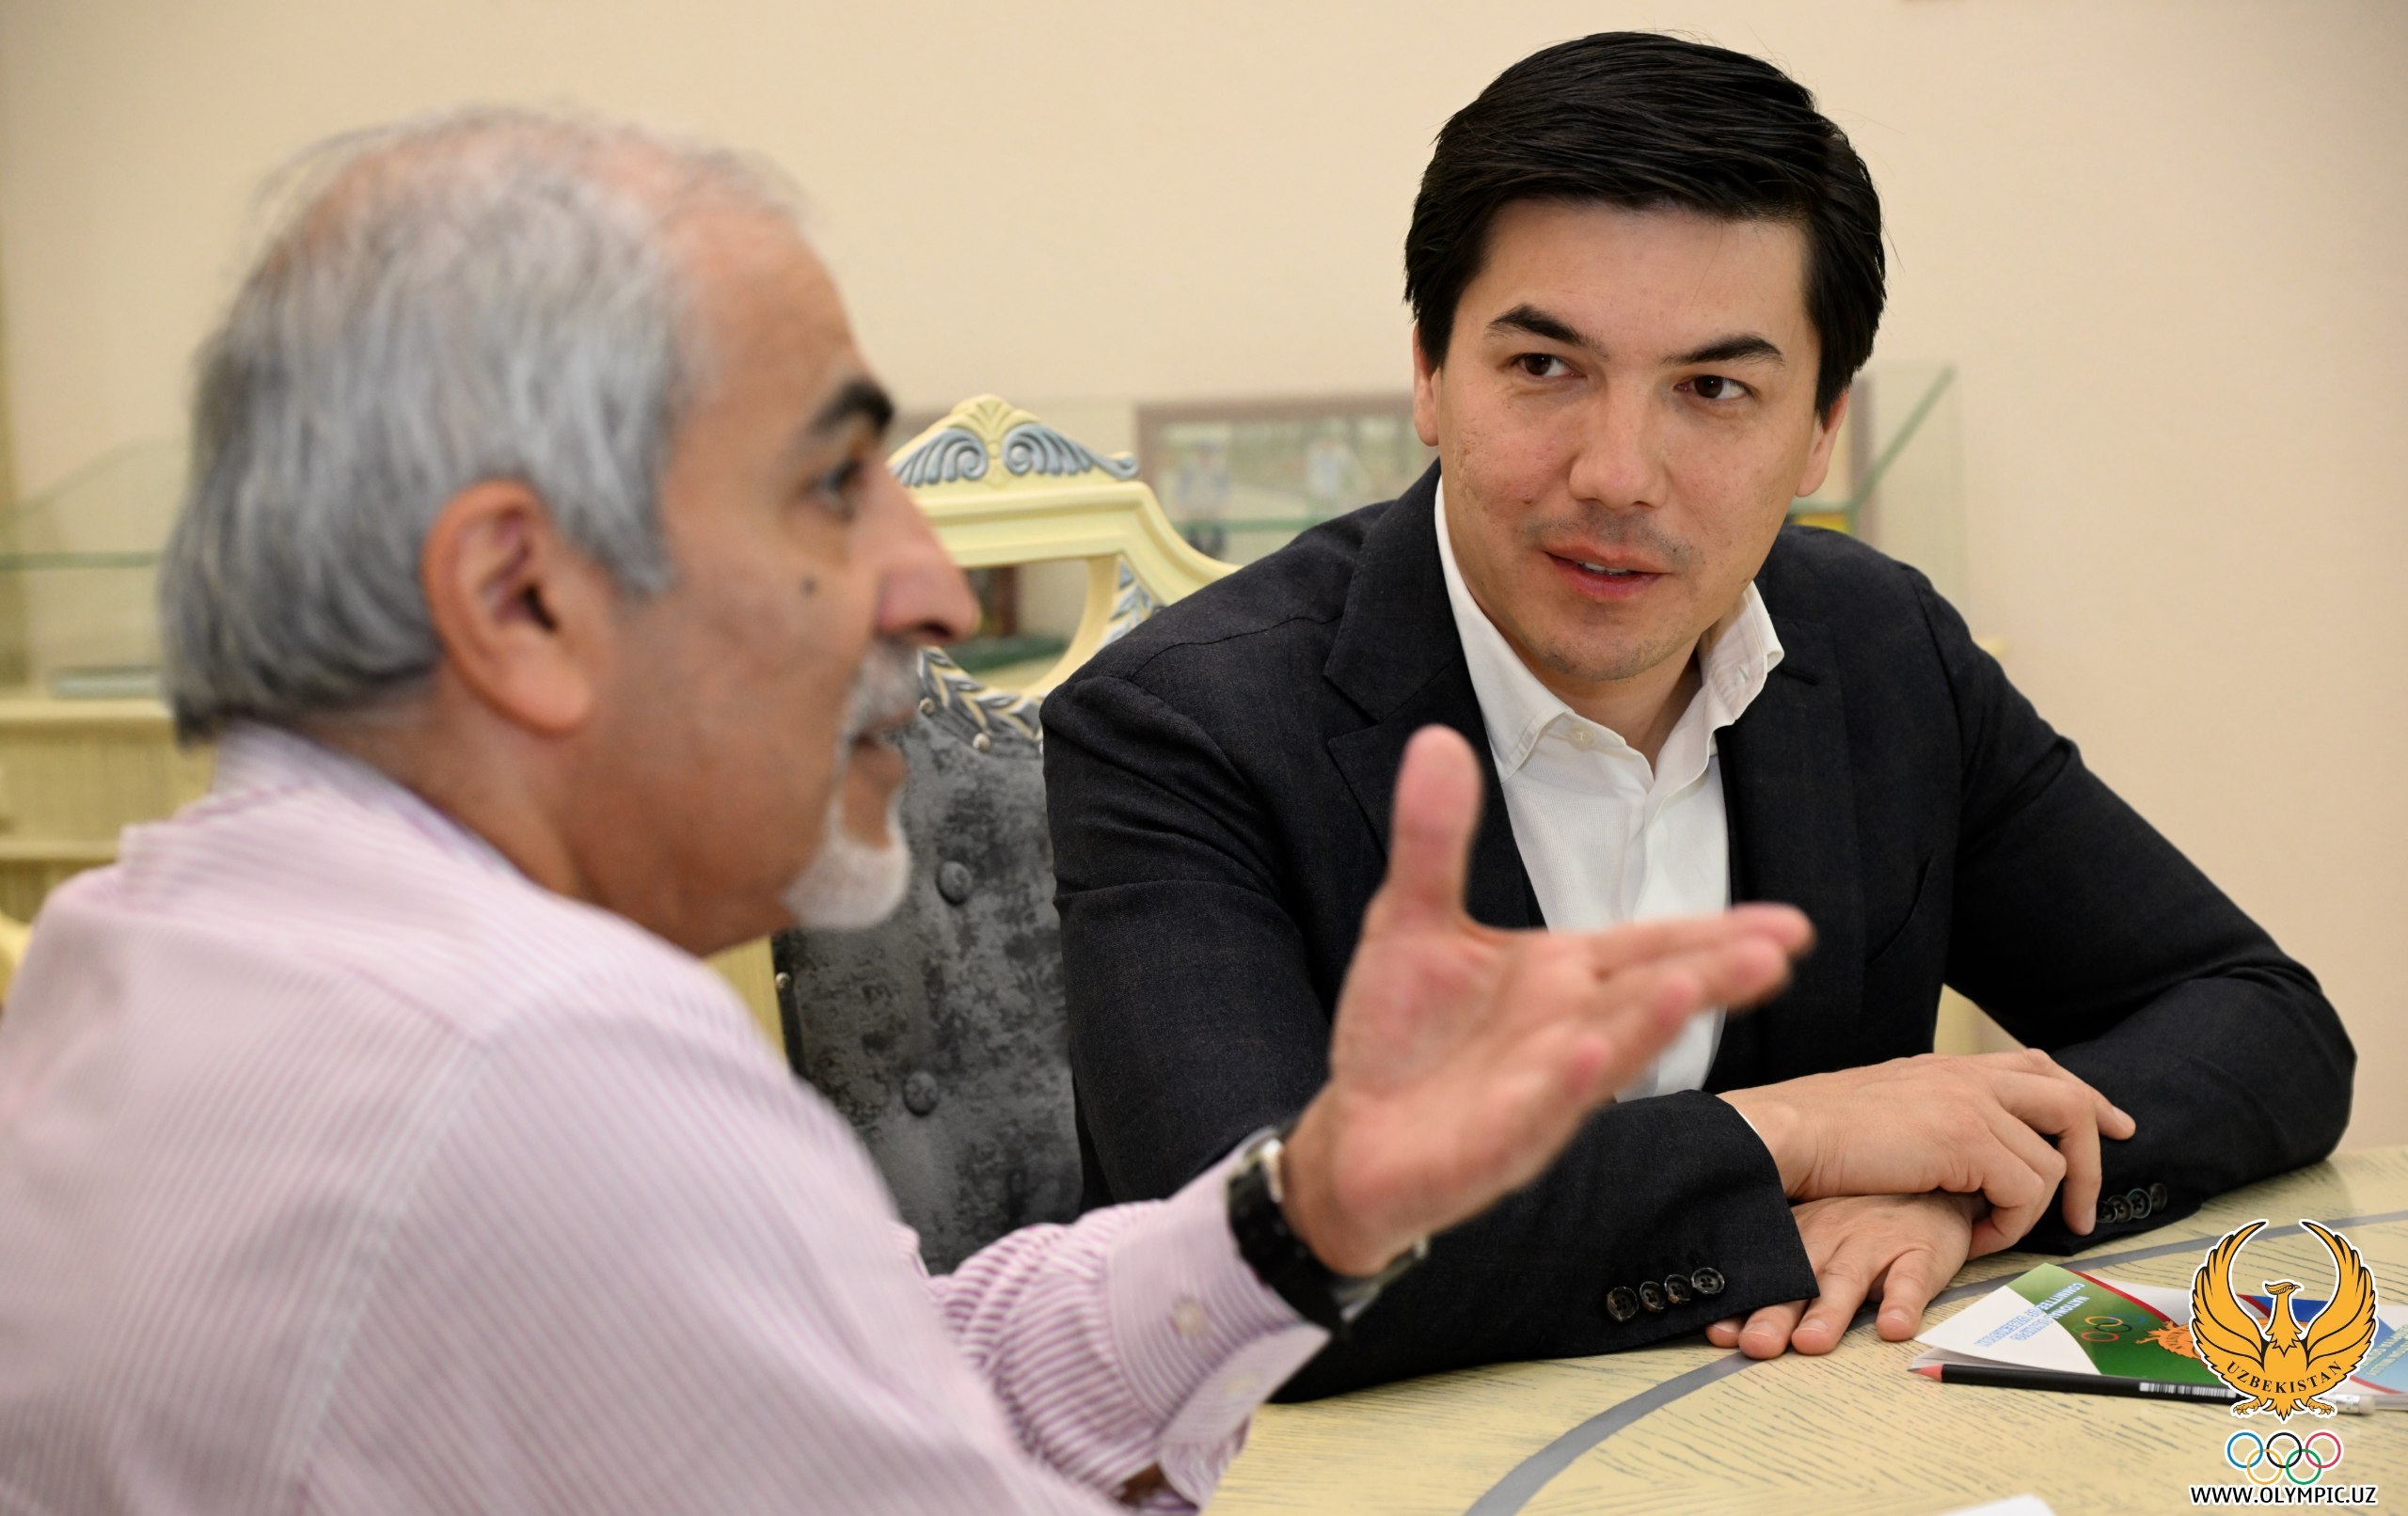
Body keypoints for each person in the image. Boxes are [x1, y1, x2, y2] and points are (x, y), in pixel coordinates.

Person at [0, 109, 1816, 1514]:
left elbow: (893, 1354)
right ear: (520, 598)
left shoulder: (167, 938)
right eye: (832, 488)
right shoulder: (536, 1055)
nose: (937, 590)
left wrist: (1310, 1207)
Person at [1041, 31, 2354, 1400]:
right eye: (1544, 368)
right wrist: (1798, 1137)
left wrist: (1961, 1188)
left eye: (1714, 390)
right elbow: (1243, 1264)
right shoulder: (1181, 723)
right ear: (1430, 373)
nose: (1618, 474)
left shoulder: (1881, 649)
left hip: (1814, 1444)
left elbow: (2262, 1026)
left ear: (1821, 428)